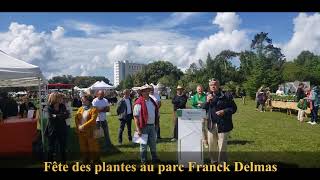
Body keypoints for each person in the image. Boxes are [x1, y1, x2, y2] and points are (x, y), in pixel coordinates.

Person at [203, 78, 237, 164]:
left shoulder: (226, 95)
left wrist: (224, 111)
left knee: (222, 146)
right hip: (211, 124)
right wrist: (207, 101)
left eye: (214, 84)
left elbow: (233, 108)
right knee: (211, 145)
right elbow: (203, 109)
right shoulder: (208, 96)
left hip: (223, 124)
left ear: (218, 85)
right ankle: (213, 161)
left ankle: (222, 163)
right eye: (211, 85)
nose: (213, 86)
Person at [133, 84, 160, 164]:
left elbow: (156, 113)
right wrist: (138, 129)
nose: (147, 92)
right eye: (145, 91)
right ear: (141, 92)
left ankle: (154, 159)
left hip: (152, 126)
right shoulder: (138, 102)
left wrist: (157, 124)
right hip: (143, 126)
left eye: (148, 90)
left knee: (153, 144)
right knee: (143, 145)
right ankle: (143, 161)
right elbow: (135, 117)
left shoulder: (152, 101)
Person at [75, 95, 100, 164]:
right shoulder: (80, 108)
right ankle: (85, 160)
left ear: (89, 101)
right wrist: (78, 126)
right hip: (81, 131)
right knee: (83, 147)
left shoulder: (94, 109)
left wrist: (83, 126)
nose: (82, 101)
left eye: (84, 100)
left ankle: (94, 160)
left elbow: (93, 120)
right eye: (82, 100)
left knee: (92, 146)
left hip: (90, 131)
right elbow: (76, 118)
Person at [45, 92, 70, 162]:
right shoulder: (49, 107)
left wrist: (56, 116)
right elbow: (50, 118)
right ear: (55, 98)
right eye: (60, 97)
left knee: (63, 147)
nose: (62, 99)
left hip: (62, 129)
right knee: (51, 148)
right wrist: (61, 115)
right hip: (52, 130)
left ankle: (63, 162)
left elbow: (67, 115)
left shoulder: (62, 106)